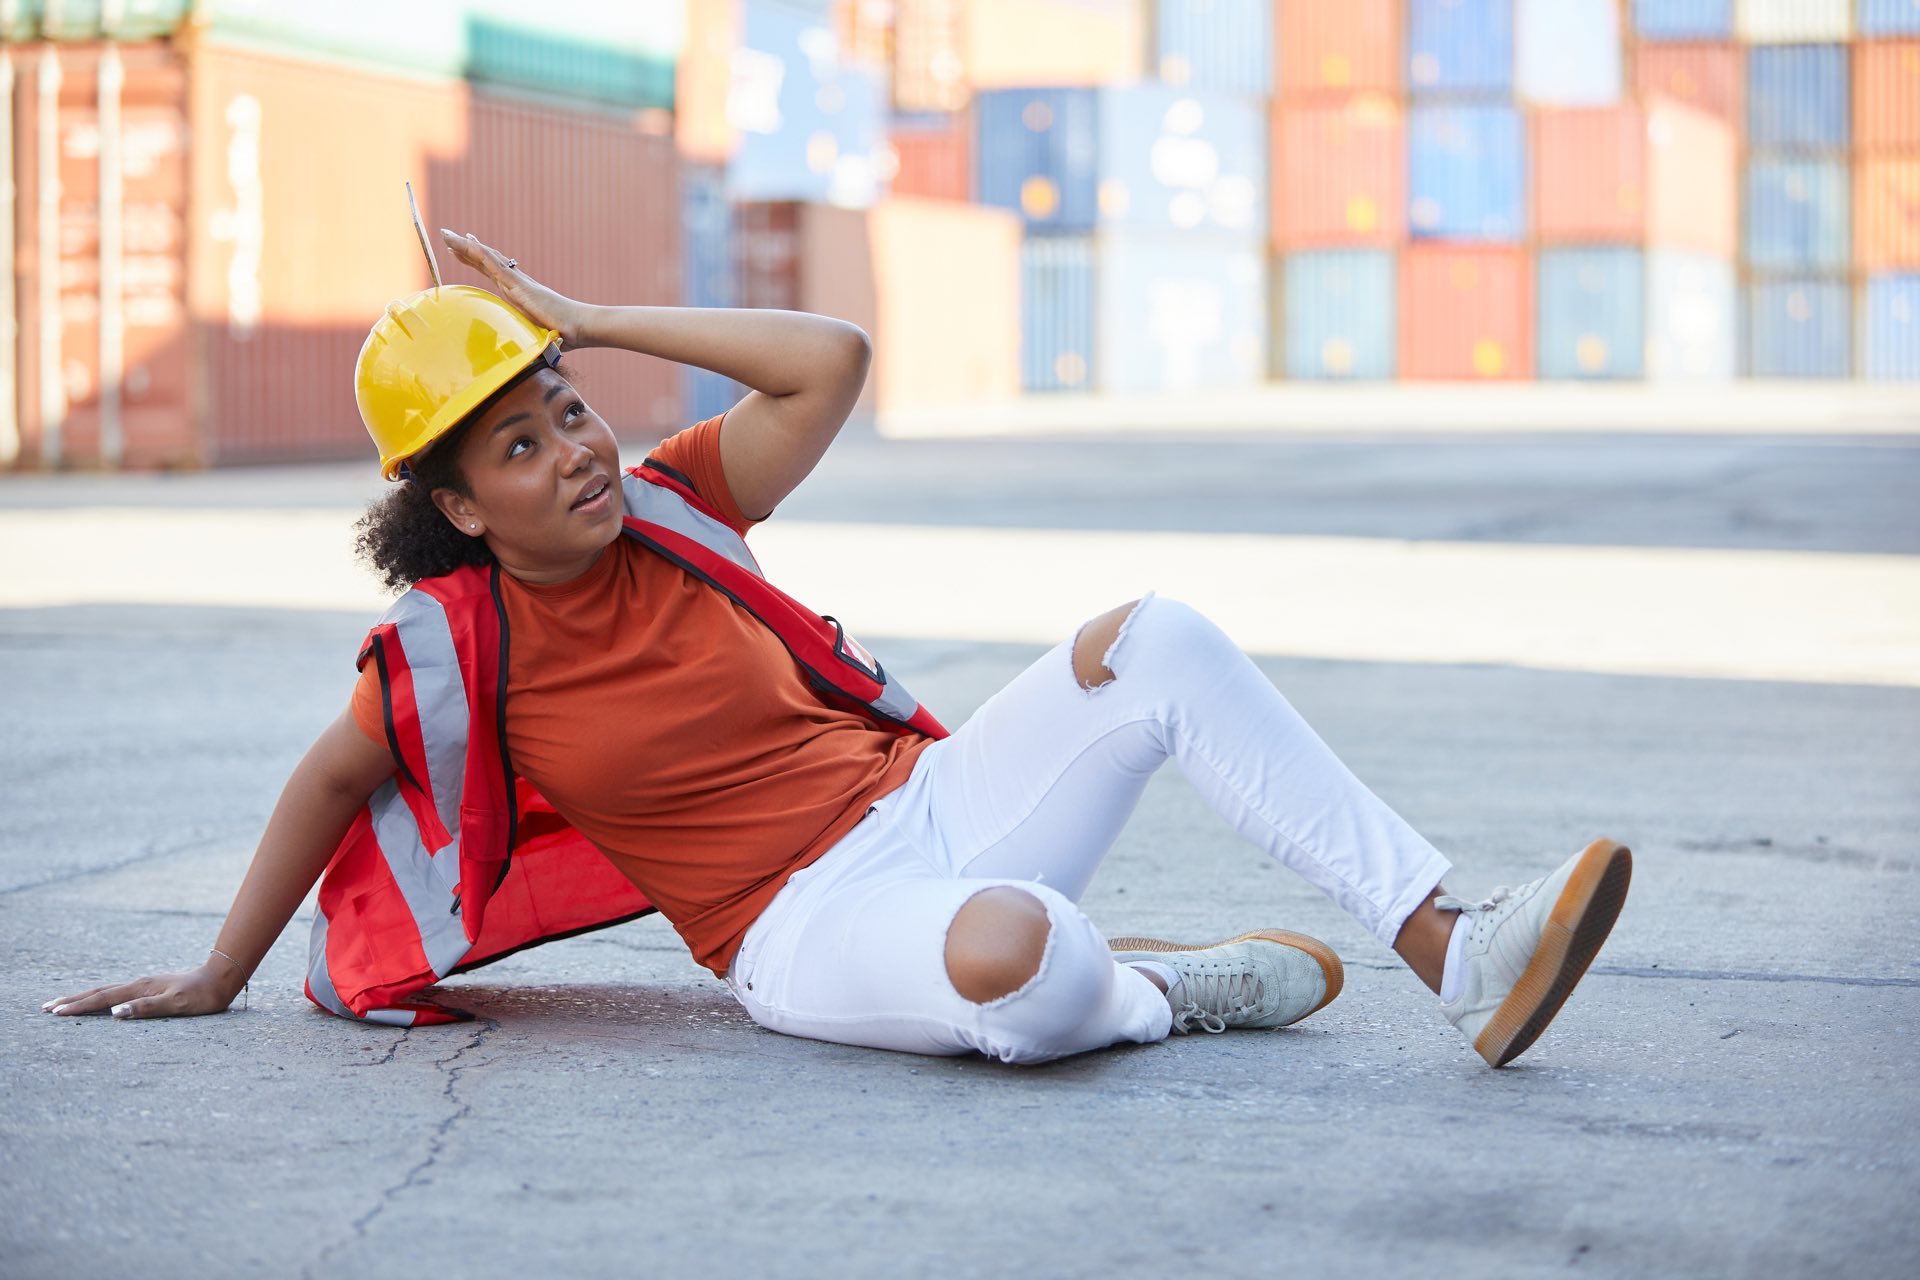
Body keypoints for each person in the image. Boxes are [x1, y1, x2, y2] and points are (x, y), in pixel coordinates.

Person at [42, 230, 1632, 1068]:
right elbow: (327, 786)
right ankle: (1153, 988)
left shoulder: (677, 499)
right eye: (519, 447)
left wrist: (589, 319)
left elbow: (832, 361)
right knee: (1016, 965)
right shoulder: (453, 656)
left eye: (568, 411)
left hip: (930, 803)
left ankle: (1450, 946)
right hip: (798, 931)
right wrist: (218, 975)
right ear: (457, 507)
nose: (576, 451)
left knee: (1154, 639)